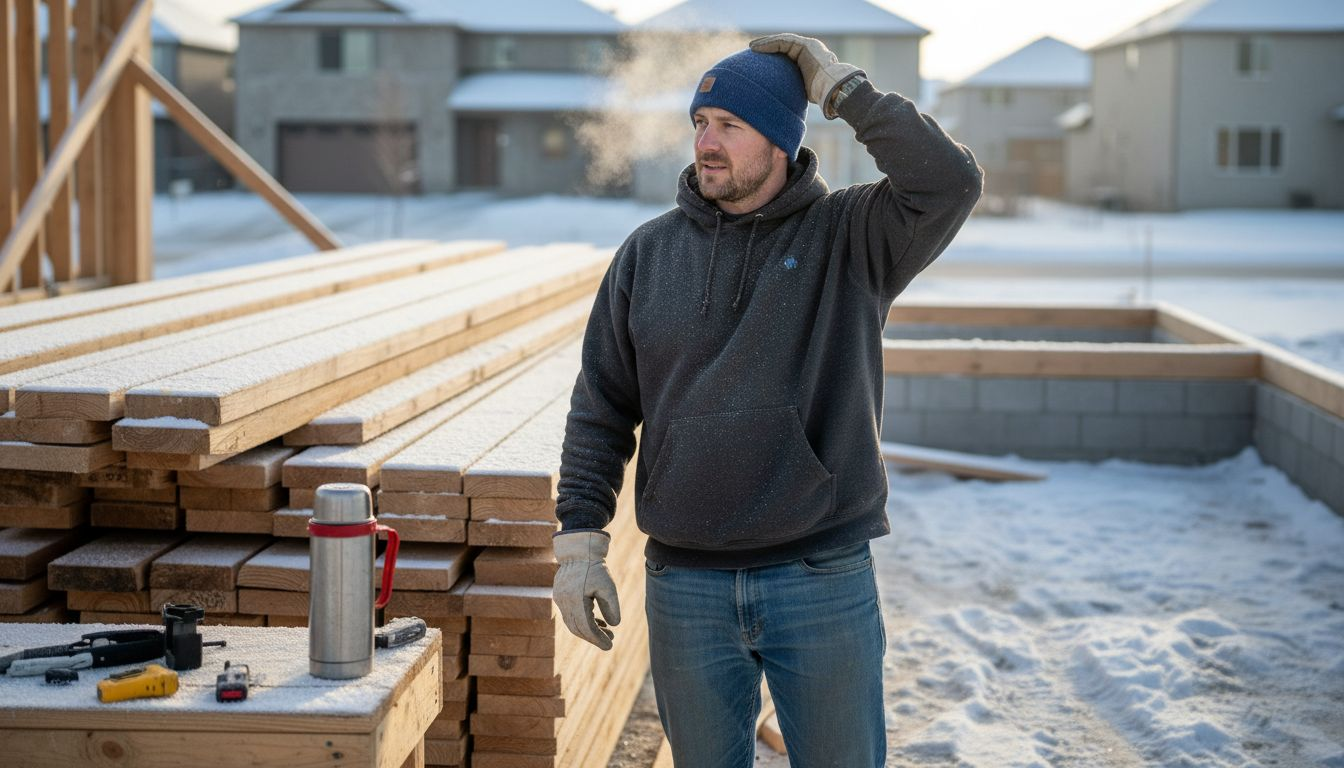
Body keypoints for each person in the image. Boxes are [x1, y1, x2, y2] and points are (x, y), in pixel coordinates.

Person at [551, 33, 982, 767]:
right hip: (685, 584)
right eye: (699, 123)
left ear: (781, 139)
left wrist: (845, 90)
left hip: (819, 577)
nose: (706, 143)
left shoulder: (852, 235)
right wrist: (581, 538)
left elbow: (949, 183)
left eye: (730, 126)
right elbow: (601, 405)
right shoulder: (647, 255)